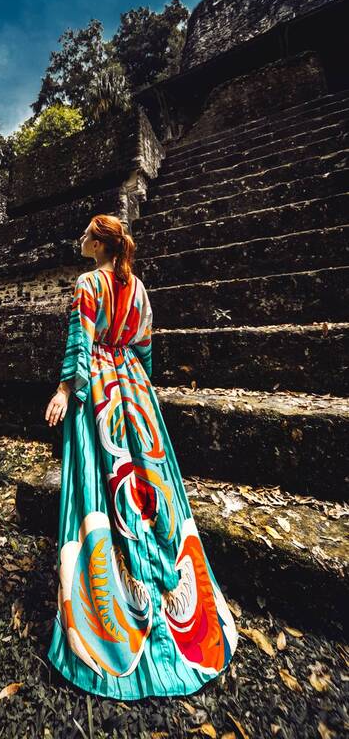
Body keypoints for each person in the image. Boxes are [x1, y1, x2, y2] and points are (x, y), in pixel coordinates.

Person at [44, 214, 238, 700]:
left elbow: (80, 340)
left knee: (102, 478)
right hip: (133, 388)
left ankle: (116, 598)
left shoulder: (89, 282)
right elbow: (145, 347)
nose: (81, 241)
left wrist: (67, 389)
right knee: (148, 479)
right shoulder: (140, 289)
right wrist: (140, 389)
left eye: (86, 235)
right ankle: (166, 592)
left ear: (100, 244)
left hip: (100, 387)